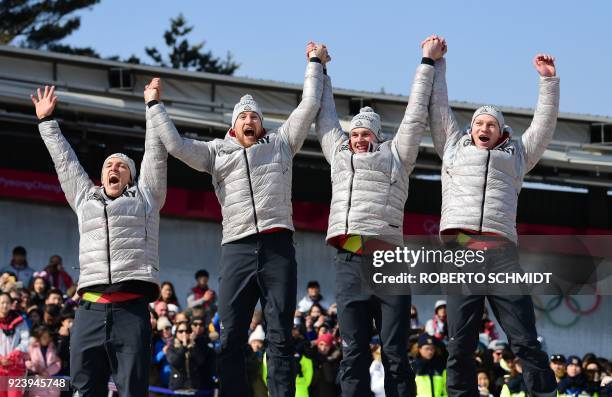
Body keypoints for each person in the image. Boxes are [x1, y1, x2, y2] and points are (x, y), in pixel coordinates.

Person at [150, 42, 326, 396]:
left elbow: (308, 107)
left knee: (279, 334)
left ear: (262, 124)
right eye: (243, 117)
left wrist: (314, 64)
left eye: (255, 116)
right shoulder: (217, 153)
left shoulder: (281, 143)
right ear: (234, 125)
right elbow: (176, 146)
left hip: (278, 247)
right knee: (231, 335)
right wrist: (154, 105)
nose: (249, 120)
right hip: (237, 249)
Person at [426, 34, 560, 397]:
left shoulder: (517, 155)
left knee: (525, 339)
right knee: (460, 344)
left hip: (501, 255)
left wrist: (548, 80)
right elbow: (438, 110)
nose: (483, 128)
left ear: (502, 131)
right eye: (478, 124)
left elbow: (543, 126)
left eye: (491, 125)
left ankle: (544, 393)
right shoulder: (452, 147)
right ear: (470, 129)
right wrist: (437, 63)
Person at [313, 36, 444, 396]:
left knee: (395, 353)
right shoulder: (339, 158)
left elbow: (416, 113)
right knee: (353, 352)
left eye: (364, 133)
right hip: (349, 260)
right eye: (353, 133)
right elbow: (324, 118)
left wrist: (427, 62)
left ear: (378, 137)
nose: (357, 139)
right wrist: (319, 68)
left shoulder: (397, 156)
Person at [31, 80, 168, 396]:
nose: (114, 167)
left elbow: (156, 151)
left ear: (131, 177)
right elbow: (65, 162)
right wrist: (47, 122)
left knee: (133, 389)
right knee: (84, 388)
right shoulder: (84, 197)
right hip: (89, 311)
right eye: (109, 164)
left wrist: (152, 105)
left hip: (131, 312)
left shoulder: (147, 197)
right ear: (101, 174)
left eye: (122, 165)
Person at [166, 321, 216, 395]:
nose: (184, 333)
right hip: (178, 387)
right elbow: (174, 361)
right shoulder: (172, 347)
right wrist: (184, 346)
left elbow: (200, 361)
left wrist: (192, 345)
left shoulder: (194, 346)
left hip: (193, 387)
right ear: (176, 333)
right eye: (181, 331)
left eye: (187, 331)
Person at [0, 293, 29, 397]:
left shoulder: (19, 320)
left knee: (15, 394)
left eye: (7, 302)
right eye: (2, 303)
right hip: (0, 365)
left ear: (11, 304)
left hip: (15, 365)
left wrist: (13, 355)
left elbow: (25, 340)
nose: (4, 305)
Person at [26, 325, 62, 397]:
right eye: (44, 337)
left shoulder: (52, 347)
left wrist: (48, 372)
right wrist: (37, 369)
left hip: (50, 379)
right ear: (39, 338)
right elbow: (27, 361)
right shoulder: (32, 347)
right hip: (36, 378)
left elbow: (57, 363)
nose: (47, 339)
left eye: (48, 337)